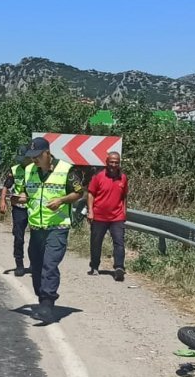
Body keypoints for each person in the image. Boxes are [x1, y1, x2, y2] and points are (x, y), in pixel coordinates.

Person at [20, 136, 86, 322]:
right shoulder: (29, 170)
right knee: (37, 265)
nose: (34, 159)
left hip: (57, 226)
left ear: (47, 153)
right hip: (36, 227)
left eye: (37, 156)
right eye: (31, 156)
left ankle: (48, 303)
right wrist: (21, 197)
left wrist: (62, 200)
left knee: (50, 264)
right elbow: (28, 192)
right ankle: (42, 300)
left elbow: (79, 192)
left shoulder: (65, 170)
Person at [87, 151, 129, 281]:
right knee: (96, 242)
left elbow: (124, 196)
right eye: (111, 161)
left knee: (119, 243)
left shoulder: (123, 178)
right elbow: (90, 194)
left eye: (116, 162)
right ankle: (94, 266)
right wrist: (90, 211)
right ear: (106, 162)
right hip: (99, 216)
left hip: (117, 217)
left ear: (119, 163)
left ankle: (119, 268)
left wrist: (124, 211)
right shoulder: (98, 177)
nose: (114, 164)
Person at [0, 152, 34, 276]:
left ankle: (34, 264)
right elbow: (6, 186)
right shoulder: (15, 170)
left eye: (24, 159)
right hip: (19, 208)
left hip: (33, 208)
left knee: (35, 238)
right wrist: (2, 201)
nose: (22, 161)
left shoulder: (37, 169)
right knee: (19, 237)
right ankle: (19, 264)